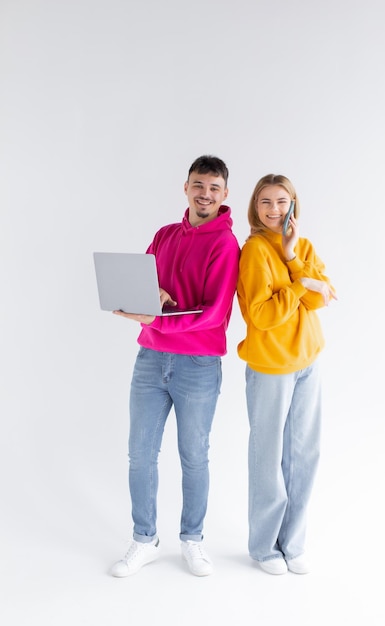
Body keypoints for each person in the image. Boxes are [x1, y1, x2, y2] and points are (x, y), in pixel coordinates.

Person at [110, 155, 240, 578]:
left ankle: (193, 540)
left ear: (224, 195)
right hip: (150, 357)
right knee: (140, 454)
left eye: (214, 188)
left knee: (194, 456)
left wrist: (161, 317)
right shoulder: (164, 235)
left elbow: (215, 313)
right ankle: (144, 539)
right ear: (185, 187)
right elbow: (145, 285)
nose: (205, 194)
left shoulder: (225, 244)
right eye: (199, 185)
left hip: (198, 364)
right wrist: (147, 300)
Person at [236, 174, 337, 576]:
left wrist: (295, 259)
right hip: (270, 369)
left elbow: (322, 297)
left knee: (303, 456)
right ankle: (263, 547)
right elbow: (261, 315)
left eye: (282, 201)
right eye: (266, 202)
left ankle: (292, 544)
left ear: (293, 204)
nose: (274, 210)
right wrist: (299, 284)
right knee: (267, 458)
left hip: (307, 364)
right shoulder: (254, 251)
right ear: (255, 207)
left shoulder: (304, 246)